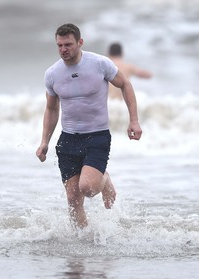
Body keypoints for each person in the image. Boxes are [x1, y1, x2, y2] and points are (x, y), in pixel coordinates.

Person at [36, 24, 142, 228]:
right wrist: (44, 142)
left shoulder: (100, 64)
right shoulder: (52, 74)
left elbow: (125, 85)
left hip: (97, 136)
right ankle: (82, 242)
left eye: (68, 44)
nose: (63, 49)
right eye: (59, 45)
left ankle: (104, 179)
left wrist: (134, 120)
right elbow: (51, 109)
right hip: (67, 139)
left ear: (80, 42)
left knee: (88, 188)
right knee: (73, 198)